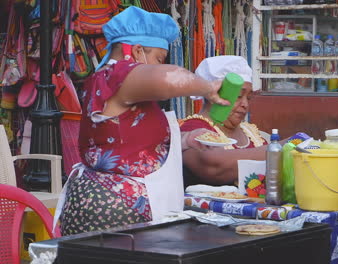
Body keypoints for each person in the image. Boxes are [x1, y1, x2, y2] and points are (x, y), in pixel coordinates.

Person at [57, 7, 229, 235]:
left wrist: (188, 139)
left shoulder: (121, 86)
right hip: (113, 210)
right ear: (138, 51)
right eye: (159, 58)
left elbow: (136, 143)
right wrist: (208, 87)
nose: (159, 65)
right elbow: (166, 78)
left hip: (117, 208)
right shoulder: (117, 74)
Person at [180, 56, 269, 187]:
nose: (245, 104)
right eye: (238, 96)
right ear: (213, 94)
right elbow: (215, 167)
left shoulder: (250, 133)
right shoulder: (193, 129)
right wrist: (276, 150)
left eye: (249, 98)